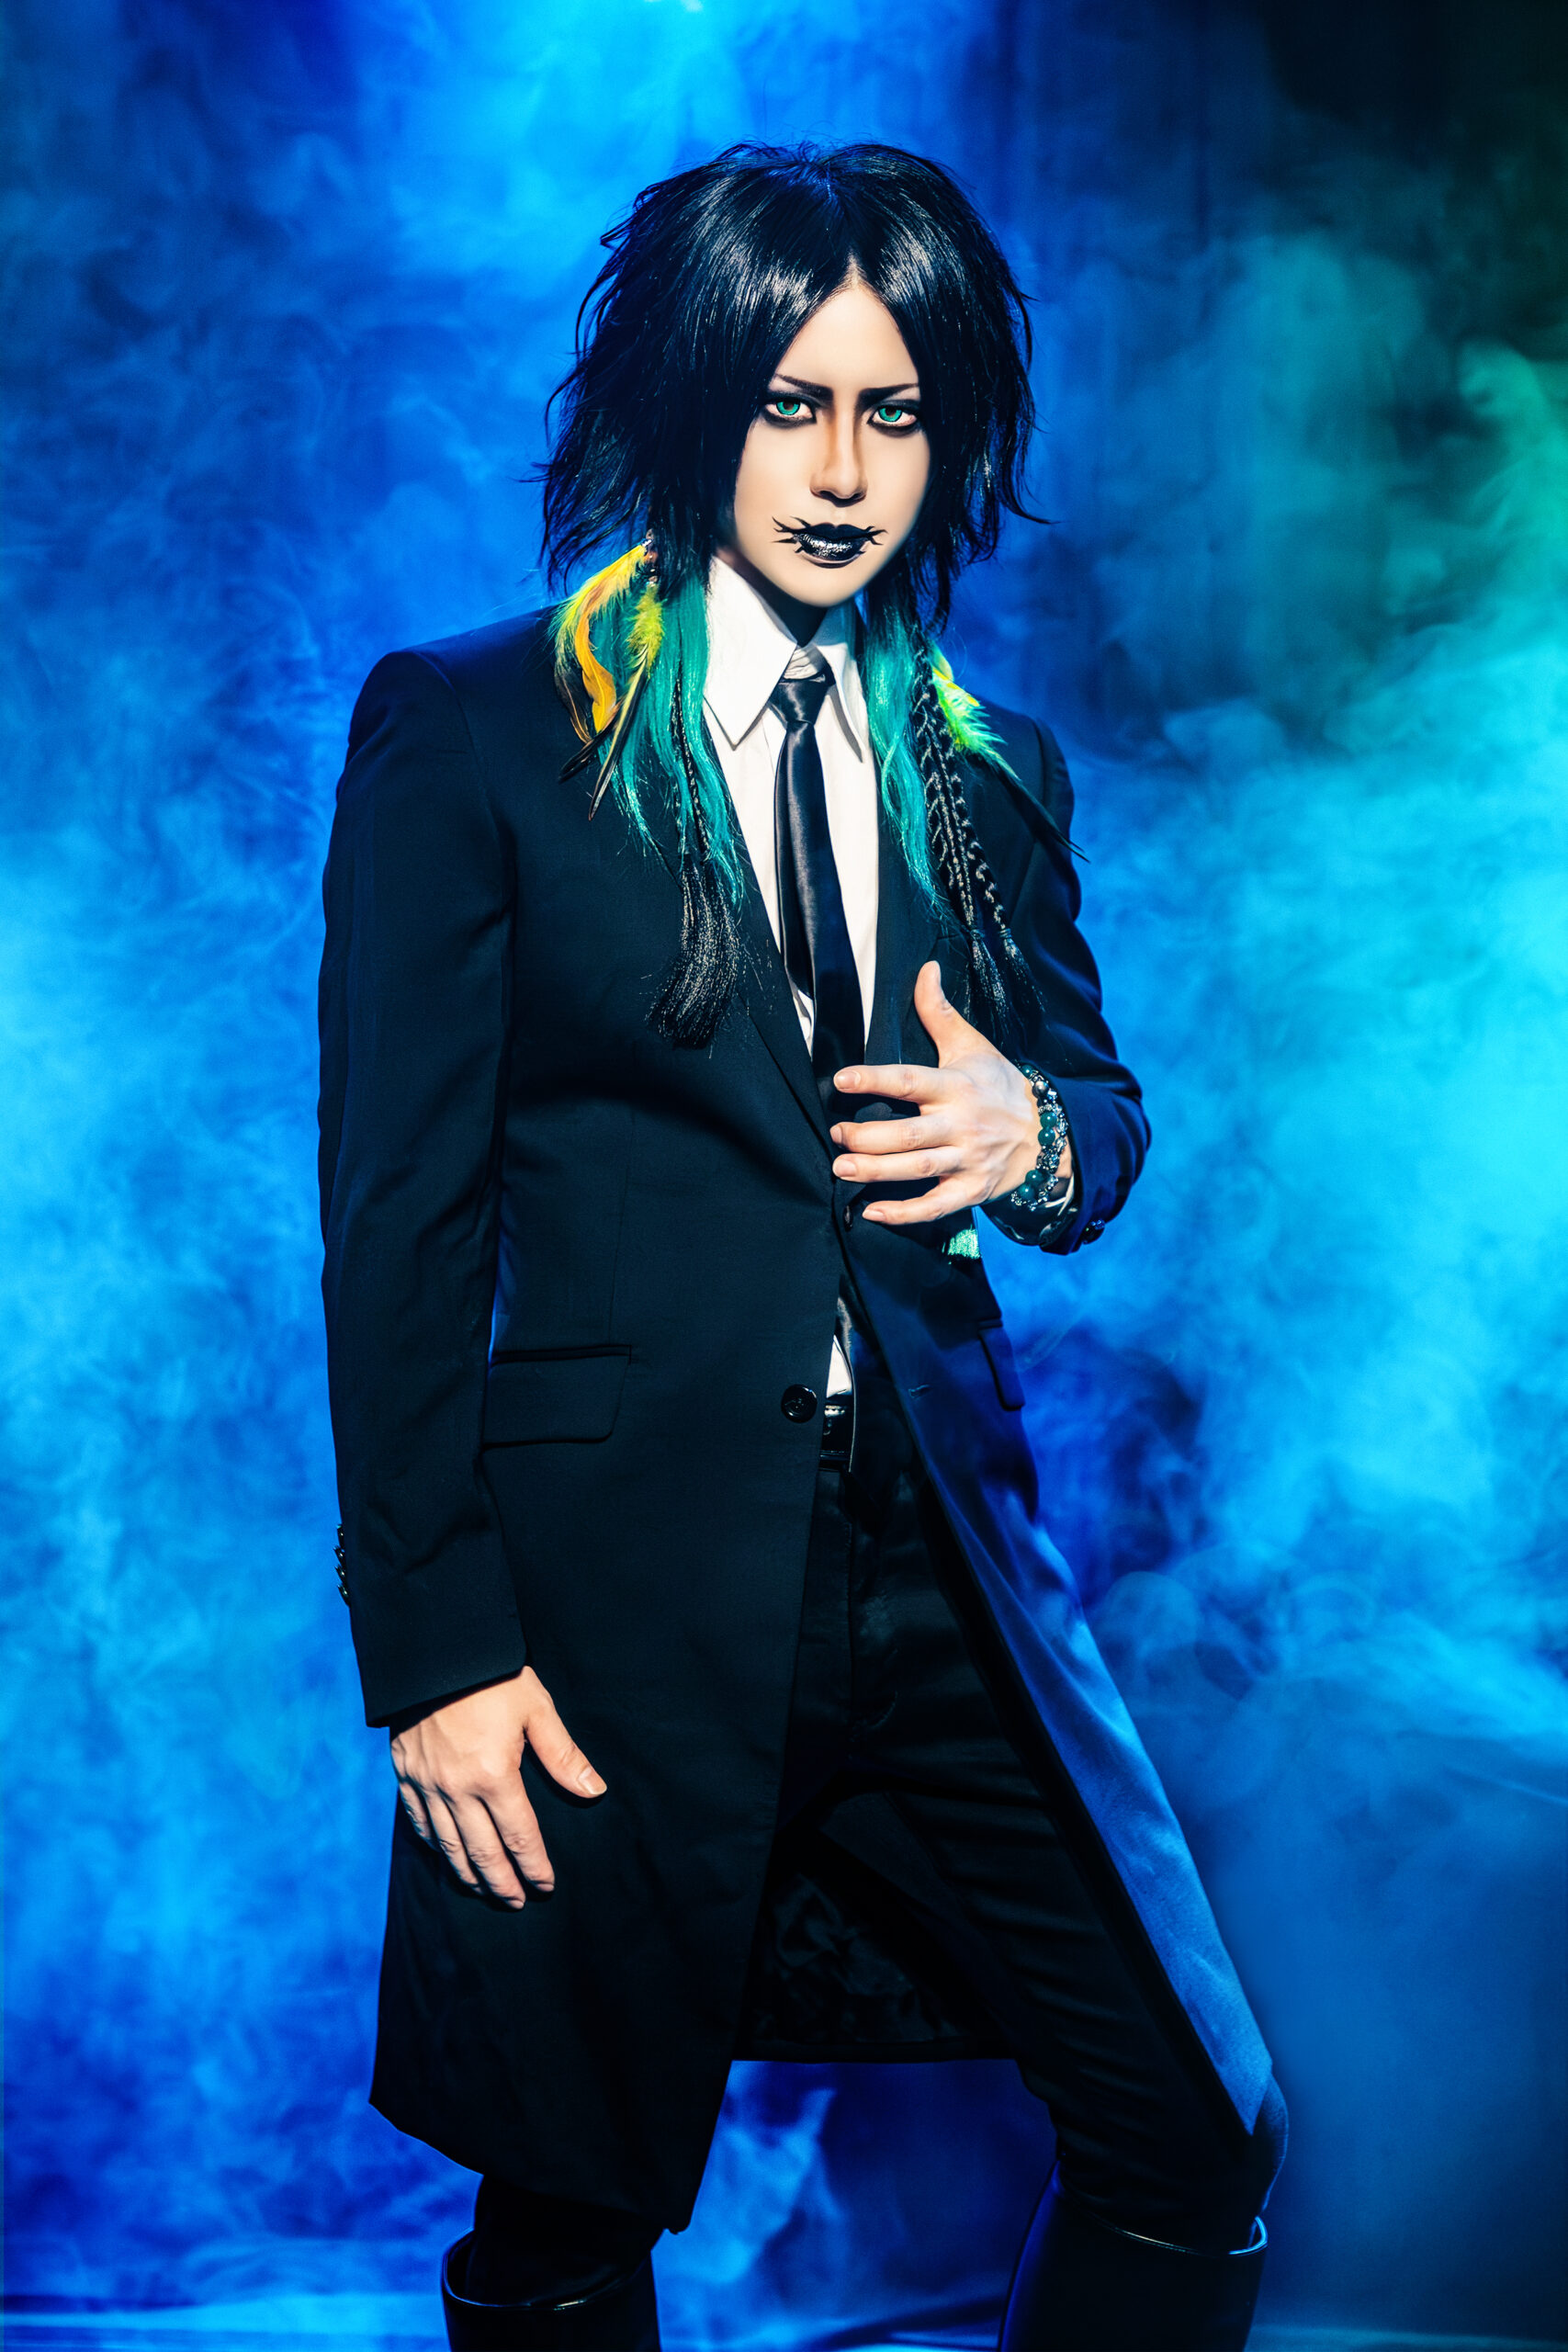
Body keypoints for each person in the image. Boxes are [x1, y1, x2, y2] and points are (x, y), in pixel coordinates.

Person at [318, 142, 1285, 2352]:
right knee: (566, 2198)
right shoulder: (480, 728)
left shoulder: (980, 761)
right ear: (693, 399)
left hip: (944, 1573)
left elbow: (1099, 1113)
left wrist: (1030, 1134)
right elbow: (393, 1230)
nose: (844, 471)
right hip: (609, 1588)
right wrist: (433, 1653)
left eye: (893, 413)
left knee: (1195, 2126)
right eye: (790, 406)